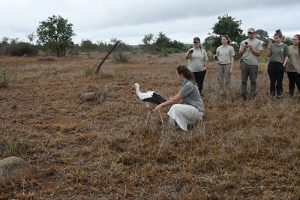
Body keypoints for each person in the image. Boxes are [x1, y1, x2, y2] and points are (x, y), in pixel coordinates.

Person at [154, 66, 204, 131]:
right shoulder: (187, 83)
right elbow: (179, 95)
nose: (177, 76)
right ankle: (174, 126)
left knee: (175, 107)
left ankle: (173, 128)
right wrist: (172, 98)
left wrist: (162, 105)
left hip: (197, 112)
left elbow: (176, 100)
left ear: (181, 75)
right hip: (193, 110)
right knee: (175, 108)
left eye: (177, 74)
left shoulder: (188, 85)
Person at [239, 28, 263, 100]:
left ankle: (254, 96)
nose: (250, 34)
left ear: (254, 33)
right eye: (249, 33)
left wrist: (252, 48)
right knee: (243, 81)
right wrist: (244, 48)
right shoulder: (243, 42)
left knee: (253, 81)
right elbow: (240, 53)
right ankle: (243, 96)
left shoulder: (258, 42)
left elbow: (259, 53)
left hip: (254, 64)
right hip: (244, 63)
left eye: (251, 33)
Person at [267, 29, 289, 98]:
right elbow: (268, 55)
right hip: (272, 64)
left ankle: (279, 94)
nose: (276, 40)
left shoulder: (285, 46)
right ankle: (272, 94)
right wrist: (269, 48)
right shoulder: (272, 45)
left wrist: (284, 65)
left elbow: (286, 56)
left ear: (281, 38)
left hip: (280, 65)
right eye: (275, 38)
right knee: (272, 81)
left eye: (277, 38)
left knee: (279, 81)